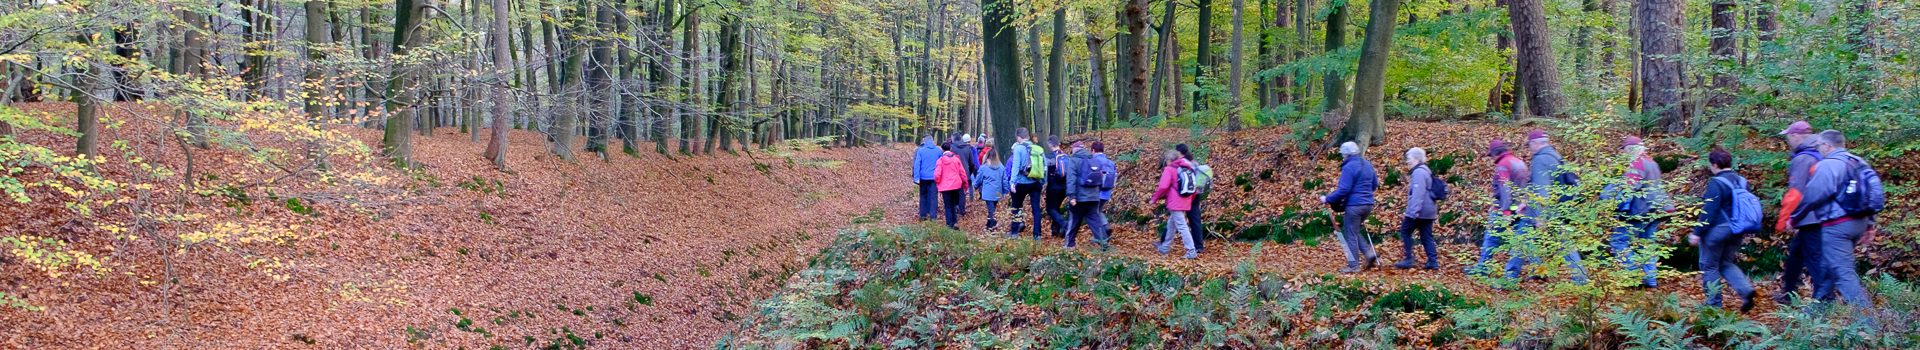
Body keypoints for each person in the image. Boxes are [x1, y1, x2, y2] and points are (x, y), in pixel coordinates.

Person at [1792, 130, 1875, 306]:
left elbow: (1813, 195)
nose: (1818, 149)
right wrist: (1869, 224)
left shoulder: (1828, 164)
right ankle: (1816, 312)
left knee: (1842, 273)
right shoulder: (1858, 162)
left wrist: (1795, 217)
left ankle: (1870, 322)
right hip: (1859, 222)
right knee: (1829, 268)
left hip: (1837, 225)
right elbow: (1869, 194)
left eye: (1819, 145)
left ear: (1827, 145)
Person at [1521, 130, 1589, 283]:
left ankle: (1579, 278)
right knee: (1562, 243)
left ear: (1536, 143)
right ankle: (1540, 271)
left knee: (1529, 238)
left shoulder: (1540, 160)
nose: (1529, 148)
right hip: (1558, 208)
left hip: (1547, 211)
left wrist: (1541, 216)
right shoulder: (1555, 156)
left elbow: (1541, 189)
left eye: (1530, 144)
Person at [1694, 148, 1757, 311]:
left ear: (1714, 164)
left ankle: (1713, 304)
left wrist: (1697, 232)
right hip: (1738, 229)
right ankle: (1746, 290)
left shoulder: (1717, 182)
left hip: (1718, 230)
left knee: (1709, 266)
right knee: (1726, 263)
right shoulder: (1742, 181)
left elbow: (1709, 210)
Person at [1773, 121, 1825, 303]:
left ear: (1795, 135)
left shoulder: (1803, 158)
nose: (1788, 140)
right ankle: (1788, 293)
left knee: (1814, 260)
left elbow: (1795, 193)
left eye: (1788, 136)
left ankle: (1825, 300)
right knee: (1796, 256)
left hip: (1811, 217)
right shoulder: (1820, 153)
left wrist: (1784, 221)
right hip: (1819, 215)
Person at [1470, 139, 1530, 277]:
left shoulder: (1503, 165)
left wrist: (1505, 211)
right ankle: (1518, 274)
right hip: (1521, 209)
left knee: (1491, 238)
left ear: (1495, 154)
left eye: (1491, 156)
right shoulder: (1519, 162)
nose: (1492, 159)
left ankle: (1482, 269)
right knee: (1520, 243)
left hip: (1505, 209)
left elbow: (1505, 188)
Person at [1612, 136, 1663, 287]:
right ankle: (1650, 279)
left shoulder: (1637, 164)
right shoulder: (1652, 162)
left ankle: (1633, 276)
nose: (1624, 154)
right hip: (1654, 210)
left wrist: (1613, 204)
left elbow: (1629, 188)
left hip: (1638, 211)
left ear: (1630, 149)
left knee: (1618, 241)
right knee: (1647, 244)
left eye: (1625, 150)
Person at [1321, 142, 1380, 273]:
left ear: (1346, 154)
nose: (1342, 157)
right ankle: (1369, 254)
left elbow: (1344, 189)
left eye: (1342, 155)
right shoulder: (1367, 164)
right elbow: (1375, 184)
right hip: (1368, 204)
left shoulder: (1349, 167)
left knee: (1350, 234)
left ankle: (1353, 266)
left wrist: (1327, 198)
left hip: (1354, 206)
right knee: (1354, 230)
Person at [1061, 141, 1112, 249]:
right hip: (1094, 197)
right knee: (1095, 221)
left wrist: (1071, 196)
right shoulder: (1093, 159)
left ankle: (1069, 244)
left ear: (1074, 149)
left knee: (1074, 220)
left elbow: (1071, 179)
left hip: (1080, 197)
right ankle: (1104, 243)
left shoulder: (1074, 160)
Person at [1396, 147, 1440, 270]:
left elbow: (1418, 194)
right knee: (1426, 235)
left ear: (1416, 159)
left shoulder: (1418, 172)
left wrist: (1412, 212)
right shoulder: (1426, 170)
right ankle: (1433, 261)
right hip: (1429, 210)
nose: (1407, 161)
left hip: (1420, 211)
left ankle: (1409, 259)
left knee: (1405, 231)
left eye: (1409, 158)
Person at [1152, 149, 1200, 259]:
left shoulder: (1169, 169)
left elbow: (1163, 186)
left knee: (1182, 226)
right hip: (1185, 200)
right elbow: (1194, 187)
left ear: (1169, 160)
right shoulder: (1188, 167)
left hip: (1175, 202)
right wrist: (1190, 200)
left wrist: (1154, 198)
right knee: (1171, 224)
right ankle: (1165, 247)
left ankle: (1191, 251)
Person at [1007, 128, 1046, 239]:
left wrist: (1012, 182)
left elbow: (1015, 166)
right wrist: (1043, 181)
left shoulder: (1018, 149)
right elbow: (1044, 166)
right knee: (1036, 208)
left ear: (1019, 137)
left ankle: (1014, 232)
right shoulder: (1038, 148)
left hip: (1021, 182)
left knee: (1017, 206)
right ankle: (1037, 234)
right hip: (1035, 182)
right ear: (1028, 136)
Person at [1176, 144, 1213, 253]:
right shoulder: (1193, 161)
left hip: (1187, 194)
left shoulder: (1182, 163)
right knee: (1195, 219)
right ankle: (1199, 245)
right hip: (1197, 193)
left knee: (1175, 217)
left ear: (1179, 152)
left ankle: (1164, 241)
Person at [934, 143, 970, 229]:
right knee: (954, 204)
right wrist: (965, 185)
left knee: (947, 206)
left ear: (942, 150)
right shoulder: (956, 160)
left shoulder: (940, 161)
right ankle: (955, 222)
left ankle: (949, 224)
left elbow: (937, 175)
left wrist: (938, 183)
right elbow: (962, 173)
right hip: (956, 186)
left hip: (945, 187)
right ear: (950, 149)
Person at [974, 151, 1011, 230]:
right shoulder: (1001, 166)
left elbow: (979, 179)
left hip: (988, 192)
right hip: (998, 192)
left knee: (991, 209)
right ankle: (989, 224)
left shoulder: (984, 167)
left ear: (987, 156)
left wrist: (975, 186)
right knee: (993, 207)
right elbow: (1004, 180)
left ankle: (992, 226)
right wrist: (1006, 190)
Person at [1043, 136, 1070, 238]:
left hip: (1053, 186)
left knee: (1050, 208)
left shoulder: (1050, 157)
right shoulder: (1066, 156)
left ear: (1050, 144)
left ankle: (1064, 224)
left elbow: (1045, 171)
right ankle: (1056, 230)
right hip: (1064, 186)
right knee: (1056, 207)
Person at [912, 136, 943, 221]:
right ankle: (933, 216)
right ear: (933, 141)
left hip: (923, 177)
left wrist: (916, 178)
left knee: (923, 196)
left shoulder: (920, 150)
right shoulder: (938, 151)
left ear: (924, 141)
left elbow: (917, 164)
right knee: (933, 196)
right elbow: (941, 165)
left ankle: (923, 215)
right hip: (934, 177)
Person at [952, 134, 980, 216]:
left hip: (954, 173)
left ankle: (956, 207)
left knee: (954, 191)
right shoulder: (968, 148)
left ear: (954, 139)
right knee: (962, 193)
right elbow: (972, 163)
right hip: (965, 173)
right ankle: (962, 210)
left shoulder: (952, 148)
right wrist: (969, 172)